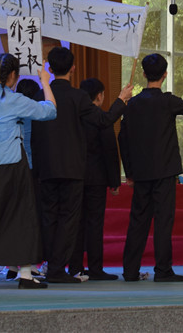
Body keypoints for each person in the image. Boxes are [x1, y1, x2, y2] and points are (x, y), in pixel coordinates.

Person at [31, 46, 129, 284]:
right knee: (69, 220)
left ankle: (50, 266)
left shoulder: (39, 96)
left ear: (50, 67)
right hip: (73, 168)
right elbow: (104, 120)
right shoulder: (78, 97)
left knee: (48, 218)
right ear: (73, 68)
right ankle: (57, 269)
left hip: (45, 167)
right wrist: (121, 100)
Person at [0, 54, 57, 290]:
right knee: (22, 216)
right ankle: (25, 275)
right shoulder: (16, 100)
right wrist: (45, 81)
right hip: (13, 163)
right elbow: (50, 111)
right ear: (13, 75)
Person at [119, 53, 183, 282]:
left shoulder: (132, 104)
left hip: (140, 172)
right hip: (165, 170)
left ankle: (130, 270)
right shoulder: (167, 101)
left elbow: (123, 139)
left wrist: (129, 172)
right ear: (166, 74)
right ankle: (163, 270)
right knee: (163, 221)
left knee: (138, 221)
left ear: (143, 74)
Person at [67, 77, 123, 281]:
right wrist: (114, 181)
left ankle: (75, 266)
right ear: (99, 96)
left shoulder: (74, 117)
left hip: (75, 176)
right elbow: (110, 151)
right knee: (94, 224)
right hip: (97, 178)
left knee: (76, 223)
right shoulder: (101, 117)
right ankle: (95, 268)